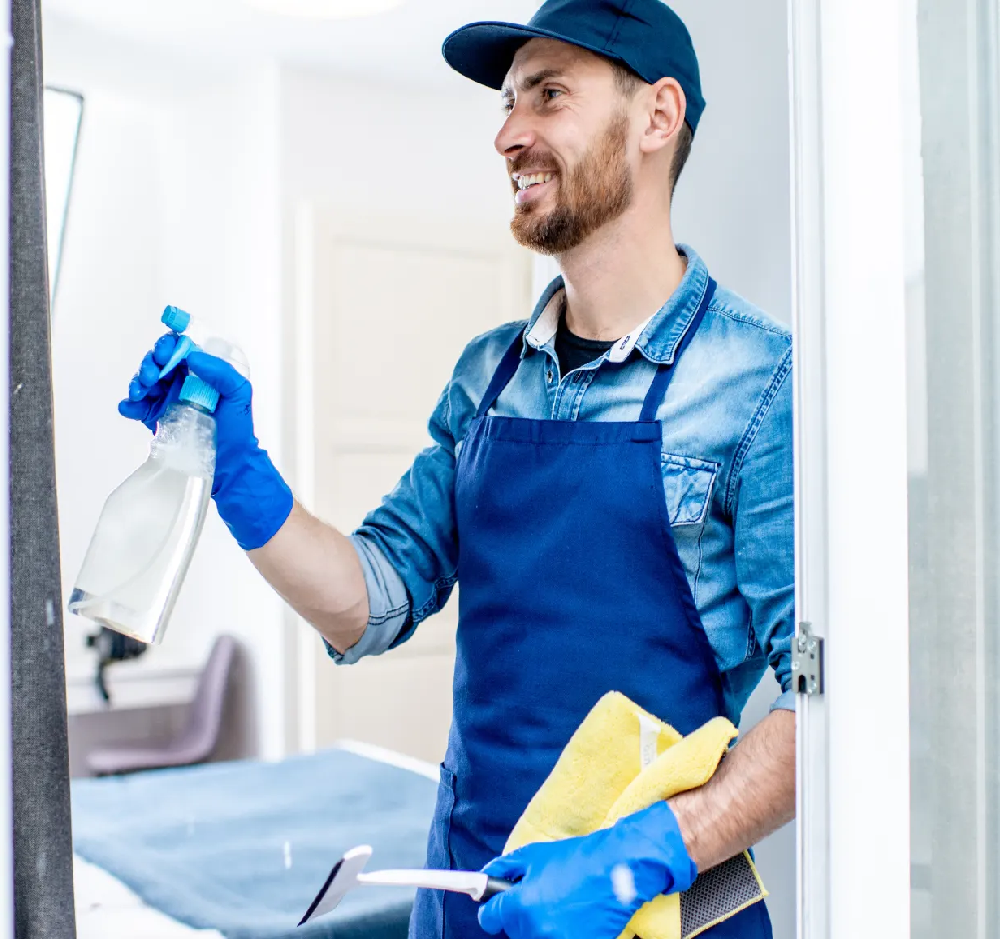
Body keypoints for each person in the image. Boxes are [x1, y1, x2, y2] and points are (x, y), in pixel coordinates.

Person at [121, 1, 794, 936]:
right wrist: (236, 466)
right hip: (473, 893)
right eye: (509, 104)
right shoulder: (490, 375)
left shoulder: (757, 384)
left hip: (654, 911)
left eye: (548, 96)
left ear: (657, 117)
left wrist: (645, 854)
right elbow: (370, 600)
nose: (509, 135)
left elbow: (833, 700)